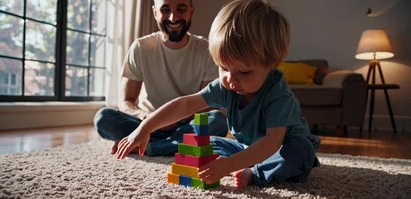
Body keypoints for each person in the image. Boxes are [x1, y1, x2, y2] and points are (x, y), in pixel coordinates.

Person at [114, 0, 320, 189]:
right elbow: (186, 105)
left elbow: (272, 142)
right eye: (223, 68)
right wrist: (145, 127)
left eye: (244, 71)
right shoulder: (227, 86)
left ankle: (256, 173)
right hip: (246, 147)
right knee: (207, 142)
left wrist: (230, 165)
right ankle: (158, 146)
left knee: (300, 151)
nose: (230, 79)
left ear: (271, 64)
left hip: (280, 149)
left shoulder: (277, 94)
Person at [94, 0, 228, 157]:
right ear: (155, 12)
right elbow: (126, 101)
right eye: (165, 10)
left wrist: (175, 119)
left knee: (218, 120)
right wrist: (149, 118)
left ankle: (148, 147)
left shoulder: (207, 50)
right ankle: (169, 145)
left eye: (181, 9)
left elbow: (208, 105)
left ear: (191, 10)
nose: (173, 18)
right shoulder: (141, 47)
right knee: (103, 117)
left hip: (185, 125)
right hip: (145, 124)